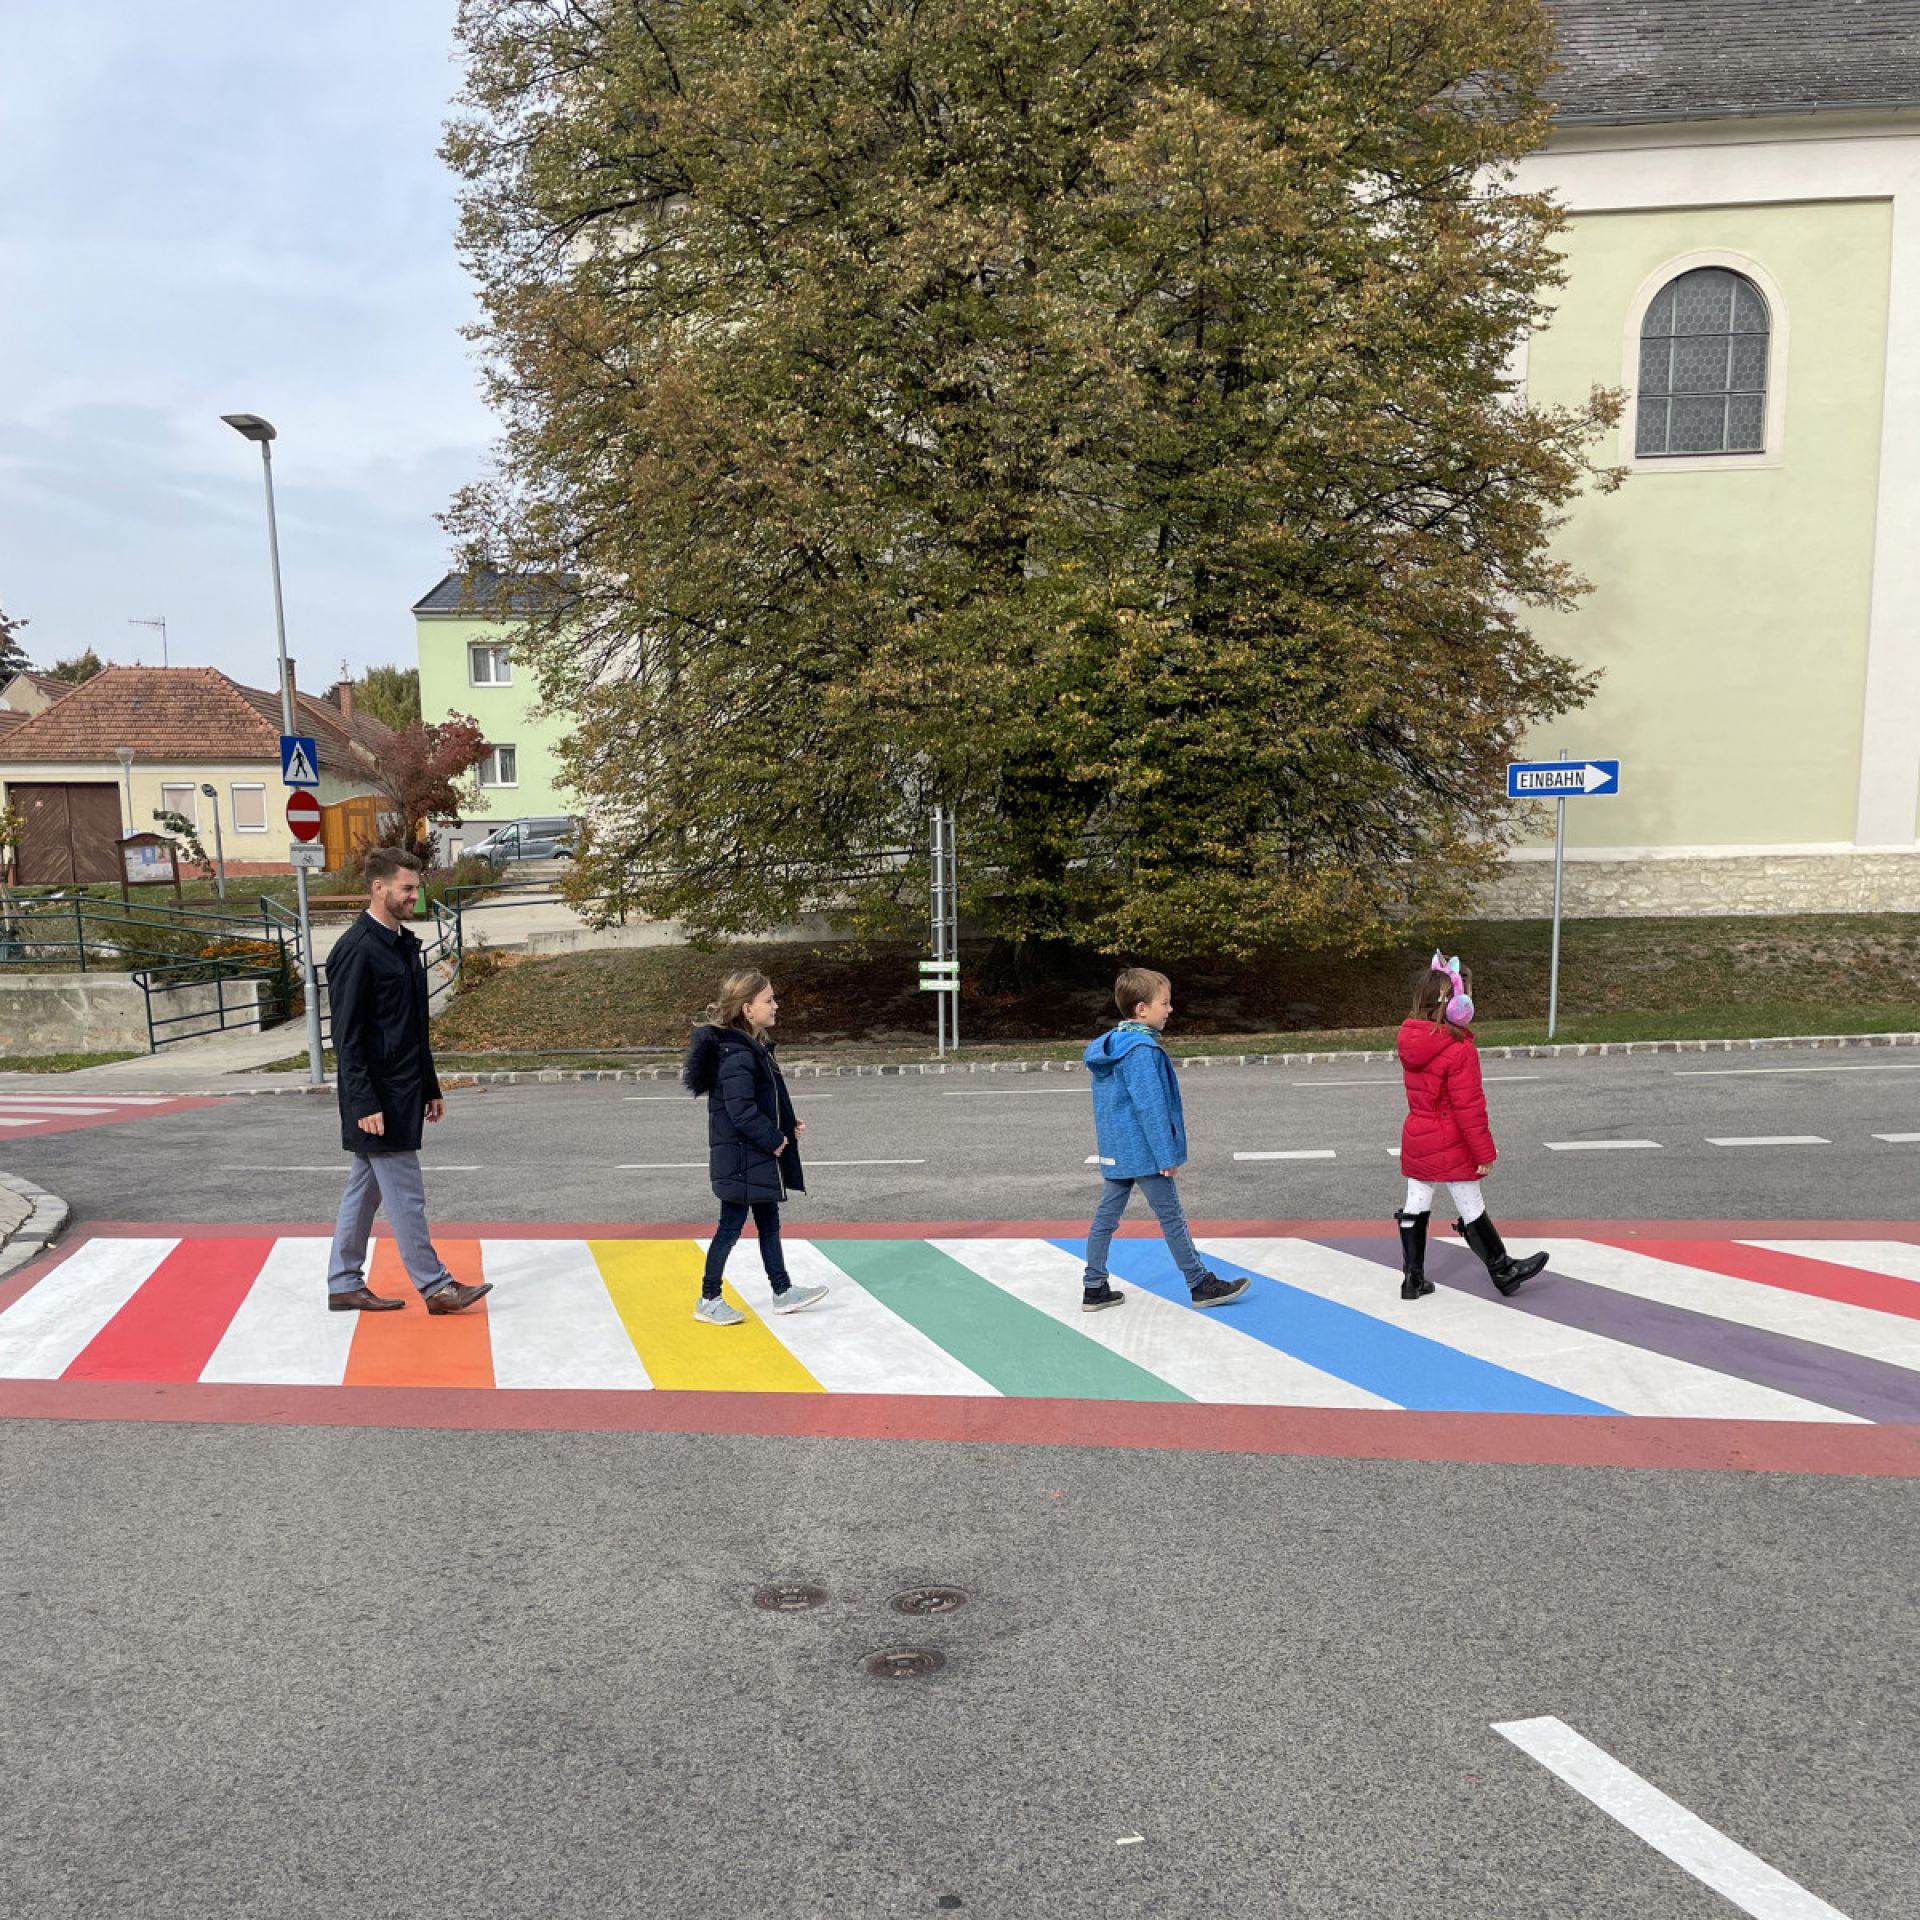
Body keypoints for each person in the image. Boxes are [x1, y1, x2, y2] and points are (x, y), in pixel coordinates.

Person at [323, 848, 490, 1314]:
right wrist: (364, 1102)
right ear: (379, 888)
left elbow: (413, 1028)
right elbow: (348, 1037)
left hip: (402, 1090)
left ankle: (342, 1282)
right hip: (377, 1097)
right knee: (407, 1196)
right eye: (408, 888)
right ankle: (435, 1286)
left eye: (417, 887)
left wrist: (430, 1086)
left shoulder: (401, 944)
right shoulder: (357, 950)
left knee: (364, 1189)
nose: (416, 896)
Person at [1078, 967, 1249, 1313]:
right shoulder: (1142, 1051)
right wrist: (1165, 1155)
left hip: (1116, 1149)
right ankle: (1200, 1284)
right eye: (1165, 1003)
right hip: (1145, 1151)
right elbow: (1151, 1108)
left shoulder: (1110, 1046)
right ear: (1141, 1009)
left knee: (1106, 1218)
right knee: (1171, 1216)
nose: (1170, 1009)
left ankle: (1094, 1287)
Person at [1395, 951, 1549, 1301]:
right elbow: (1468, 1106)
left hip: (1418, 1134)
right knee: (1470, 1203)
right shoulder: (1459, 1047)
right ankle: (1502, 1269)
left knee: (1416, 1200)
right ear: (1453, 1003)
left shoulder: (1410, 1041)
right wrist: (1483, 1151)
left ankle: (1412, 1279)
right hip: (1451, 1138)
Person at [682, 970, 829, 1327]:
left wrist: (786, 1125)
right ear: (748, 1009)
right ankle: (708, 1298)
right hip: (742, 1155)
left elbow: (764, 1100)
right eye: (769, 1000)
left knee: (769, 1221)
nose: (776, 1005)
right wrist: (774, 1139)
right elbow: (741, 1110)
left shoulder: (751, 1047)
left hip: (750, 1154)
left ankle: (782, 1291)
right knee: (730, 1226)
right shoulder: (738, 1054)